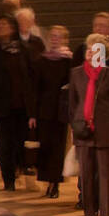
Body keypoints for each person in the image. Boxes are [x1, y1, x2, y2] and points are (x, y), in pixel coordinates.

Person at [70, 34, 109, 216]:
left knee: (105, 174)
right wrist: (75, 123)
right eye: (89, 49)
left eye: (96, 50)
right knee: (86, 173)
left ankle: (106, 214)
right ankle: (89, 213)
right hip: (83, 130)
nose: (91, 52)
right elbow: (73, 103)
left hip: (105, 130)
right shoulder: (76, 73)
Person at [0, 13, 37, 191]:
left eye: (5, 25)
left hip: (22, 105)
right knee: (5, 144)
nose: (1, 28)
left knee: (21, 142)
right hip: (2, 105)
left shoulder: (25, 49)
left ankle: (22, 171)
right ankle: (8, 180)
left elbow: (31, 77)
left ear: (13, 28)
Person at [34, 24, 73, 199]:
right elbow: (35, 88)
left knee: (57, 147)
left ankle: (54, 183)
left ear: (65, 40)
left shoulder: (69, 61)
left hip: (61, 111)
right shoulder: (41, 60)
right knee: (45, 146)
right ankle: (46, 180)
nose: (55, 39)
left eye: (59, 36)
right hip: (44, 109)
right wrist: (33, 113)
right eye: (53, 36)